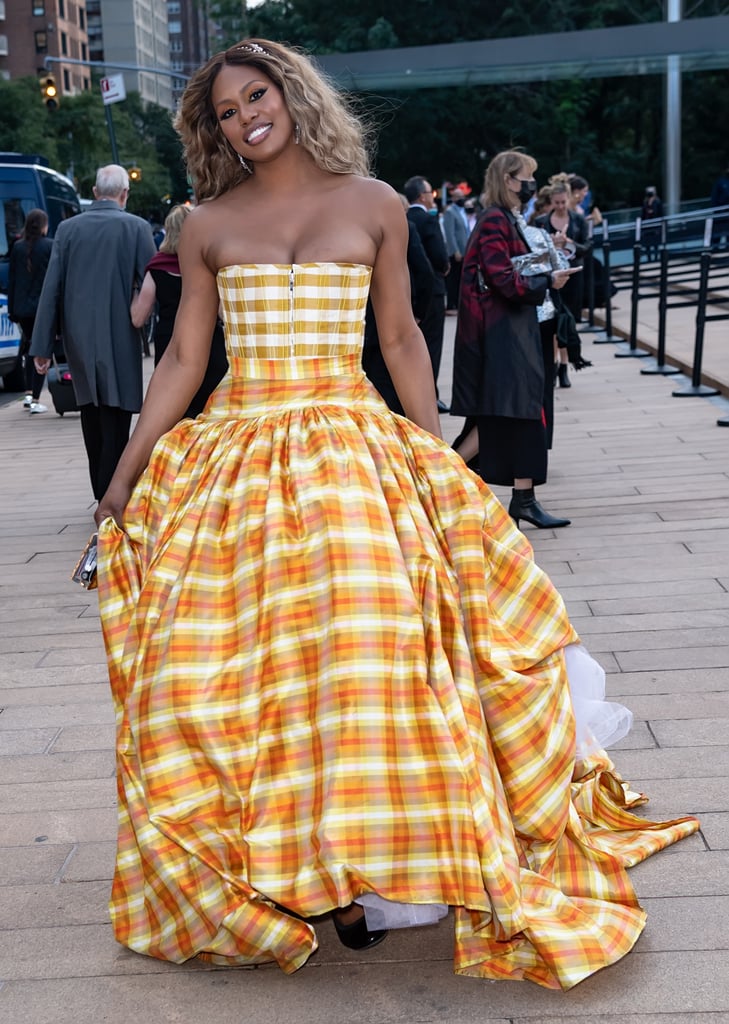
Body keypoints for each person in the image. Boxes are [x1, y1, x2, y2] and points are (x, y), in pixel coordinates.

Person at [92, 40, 698, 989]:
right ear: (210, 129)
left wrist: (431, 459)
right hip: (237, 456)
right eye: (223, 109)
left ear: (292, 94)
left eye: (257, 94)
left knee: (367, 656)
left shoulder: (375, 204)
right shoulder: (204, 222)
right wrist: (126, 472)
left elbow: (403, 336)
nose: (244, 115)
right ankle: (289, 867)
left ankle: (371, 860)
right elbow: (180, 362)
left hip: (352, 451)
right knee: (248, 673)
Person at [451, 152, 576, 528]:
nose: (530, 184)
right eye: (526, 177)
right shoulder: (494, 219)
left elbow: (507, 271)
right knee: (500, 416)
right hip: (500, 337)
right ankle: (436, 481)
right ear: (508, 180)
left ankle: (523, 498)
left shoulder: (502, 218)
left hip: (509, 332)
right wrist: (547, 281)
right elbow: (503, 278)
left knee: (517, 414)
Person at [30, 165, 157, 501]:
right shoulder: (137, 228)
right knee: (118, 413)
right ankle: (110, 492)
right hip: (119, 330)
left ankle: (102, 491)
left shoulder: (68, 230)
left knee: (90, 411)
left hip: (79, 335)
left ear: (96, 191)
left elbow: (52, 288)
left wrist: (41, 346)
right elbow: (152, 279)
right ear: (124, 194)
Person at [130, 203, 229, 418]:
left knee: (177, 411)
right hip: (209, 341)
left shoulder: (157, 267)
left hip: (170, 343)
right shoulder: (208, 265)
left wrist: (134, 289)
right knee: (213, 409)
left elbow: (138, 318)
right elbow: (224, 313)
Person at [361, 193, 434, 413]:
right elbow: (425, 271)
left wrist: (415, 312)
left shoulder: (405, 228)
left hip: (381, 322)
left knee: (387, 389)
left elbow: (424, 272)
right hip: (370, 327)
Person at [535, 177, 590, 385]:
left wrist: (569, 242)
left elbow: (586, 247)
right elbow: (533, 250)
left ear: (568, 199)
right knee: (552, 320)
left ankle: (565, 365)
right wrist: (551, 243)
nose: (560, 206)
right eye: (556, 203)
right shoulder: (541, 222)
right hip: (549, 276)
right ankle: (555, 362)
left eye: (563, 202)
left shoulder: (578, 220)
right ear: (551, 201)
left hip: (572, 276)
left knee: (569, 321)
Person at [404, 174, 450, 411]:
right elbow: (440, 257)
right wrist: (445, 267)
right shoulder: (427, 221)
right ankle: (430, 394)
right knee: (432, 345)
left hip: (409, 291)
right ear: (422, 196)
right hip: (433, 290)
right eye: (431, 193)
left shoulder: (403, 219)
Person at [7, 208, 53, 414]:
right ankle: (35, 397)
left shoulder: (17, 248)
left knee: (27, 349)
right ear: (43, 225)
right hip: (41, 309)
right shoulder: (48, 247)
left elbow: (13, 281)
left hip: (22, 309)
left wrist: (12, 310)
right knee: (41, 349)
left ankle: (28, 394)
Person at [442, 185, 471, 311]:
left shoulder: (462, 211)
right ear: (453, 198)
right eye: (458, 197)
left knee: (460, 278)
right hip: (457, 252)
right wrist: (455, 251)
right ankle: (451, 303)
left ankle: (458, 301)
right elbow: (450, 233)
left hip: (465, 250)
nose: (461, 199)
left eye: (462, 197)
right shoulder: (450, 212)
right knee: (453, 278)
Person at [641, 186, 664, 262]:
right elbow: (643, 214)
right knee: (648, 243)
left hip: (655, 224)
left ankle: (656, 257)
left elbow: (660, 213)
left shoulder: (657, 202)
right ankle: (649, 258)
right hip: (647, 225)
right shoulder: (645, 202)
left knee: (655, 243)